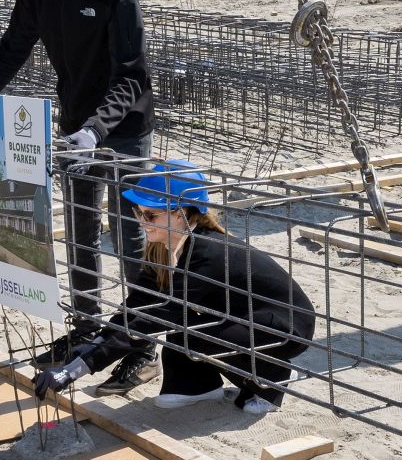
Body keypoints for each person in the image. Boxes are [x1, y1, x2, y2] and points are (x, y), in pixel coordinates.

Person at [0, 0, 158, 395]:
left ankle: (142, 347)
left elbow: (132, 74)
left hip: (122, 128)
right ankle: (88, 329)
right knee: (79, 232)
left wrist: (96, 130)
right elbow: (12, 51)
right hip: (75, 124)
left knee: (130, 236)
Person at [33, 161, 316, 416]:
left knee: (183, 323)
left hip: (283, 325)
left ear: (181, 213)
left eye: (151, 215)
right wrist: (77, 363)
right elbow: (135, 308)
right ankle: (196, 385)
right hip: (239, 315)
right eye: (139, 212)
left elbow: (157, 316)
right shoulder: (163, 248)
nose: (142, 222)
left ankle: (271, 378)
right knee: (182, 334)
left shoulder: (205, 252)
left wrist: (77, 371)